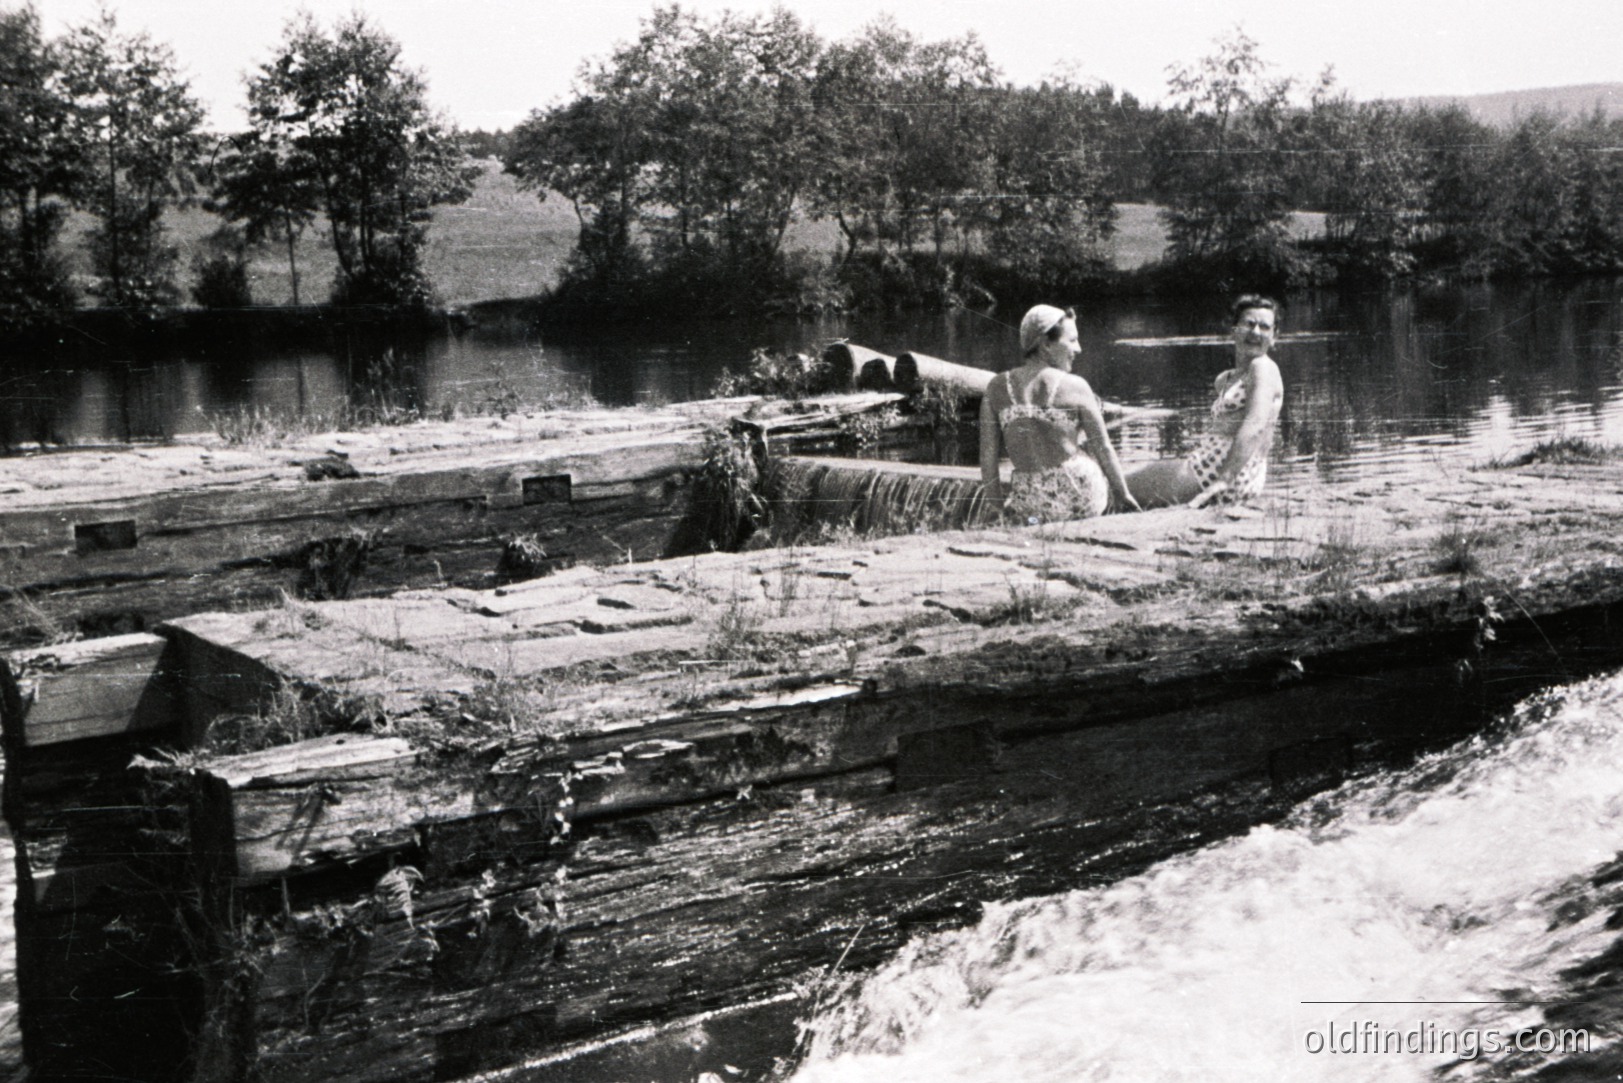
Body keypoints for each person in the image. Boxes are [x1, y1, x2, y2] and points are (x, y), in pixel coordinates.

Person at [980, 304, 1139, 523]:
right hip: (1080, 499)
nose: (1079, 349)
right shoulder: (1076, 385)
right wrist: (1123, 494)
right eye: (1072, 341)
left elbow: (988, 458)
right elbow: (1103, 447)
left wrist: (996, 507)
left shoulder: (995, 387)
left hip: (1030, 505)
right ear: (1046, 345)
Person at [1126, 294, 1285, 509]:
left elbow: (1255, 426)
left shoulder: (1263, 367)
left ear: (1274, 336)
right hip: (1207, 465)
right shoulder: (1226, 379)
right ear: (1234, 330)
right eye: (1249, 324)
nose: (1256, 332)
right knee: (1126, 480)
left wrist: (1223, 481)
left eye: (1265, 327)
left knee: (1120, 487)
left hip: (1226, 473)